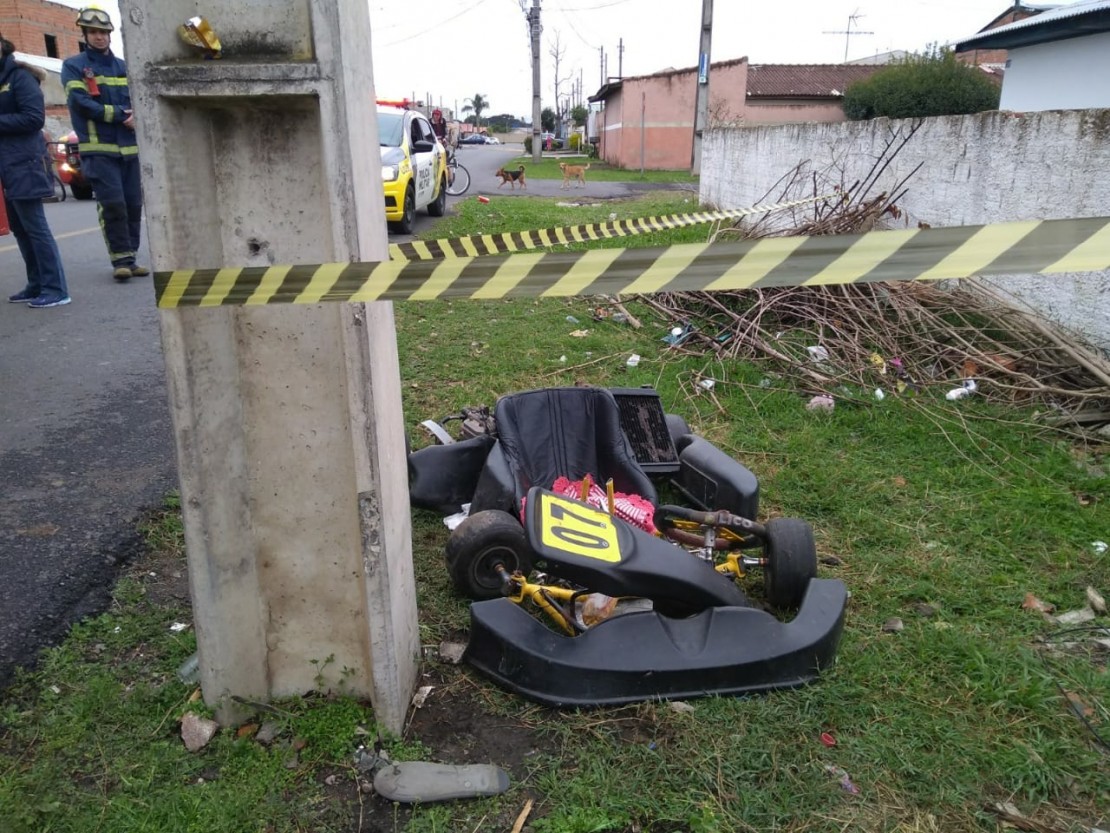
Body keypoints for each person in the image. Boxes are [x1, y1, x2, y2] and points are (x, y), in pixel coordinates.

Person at [61, 7, 146, 282]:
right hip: (99, 150)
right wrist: (122, 116)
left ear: (110, 35)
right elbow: (80, 103)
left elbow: (140, 97)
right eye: (94, 32)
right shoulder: (74, 66)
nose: (99, 37)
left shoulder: (124, 66)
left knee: (133, 204)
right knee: (113, 204)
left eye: (103, 32)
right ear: (85, 35)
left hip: (130, 150)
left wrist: (137, 115)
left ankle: (131, 256)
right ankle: (120, 259)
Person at [1, 33, 71, 308]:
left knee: (35, 226)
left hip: (24, 162)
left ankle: (56, 288)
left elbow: (33, 118)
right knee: (20, 228)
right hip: (6, 165)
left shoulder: (20, 77)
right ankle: (36, 284)